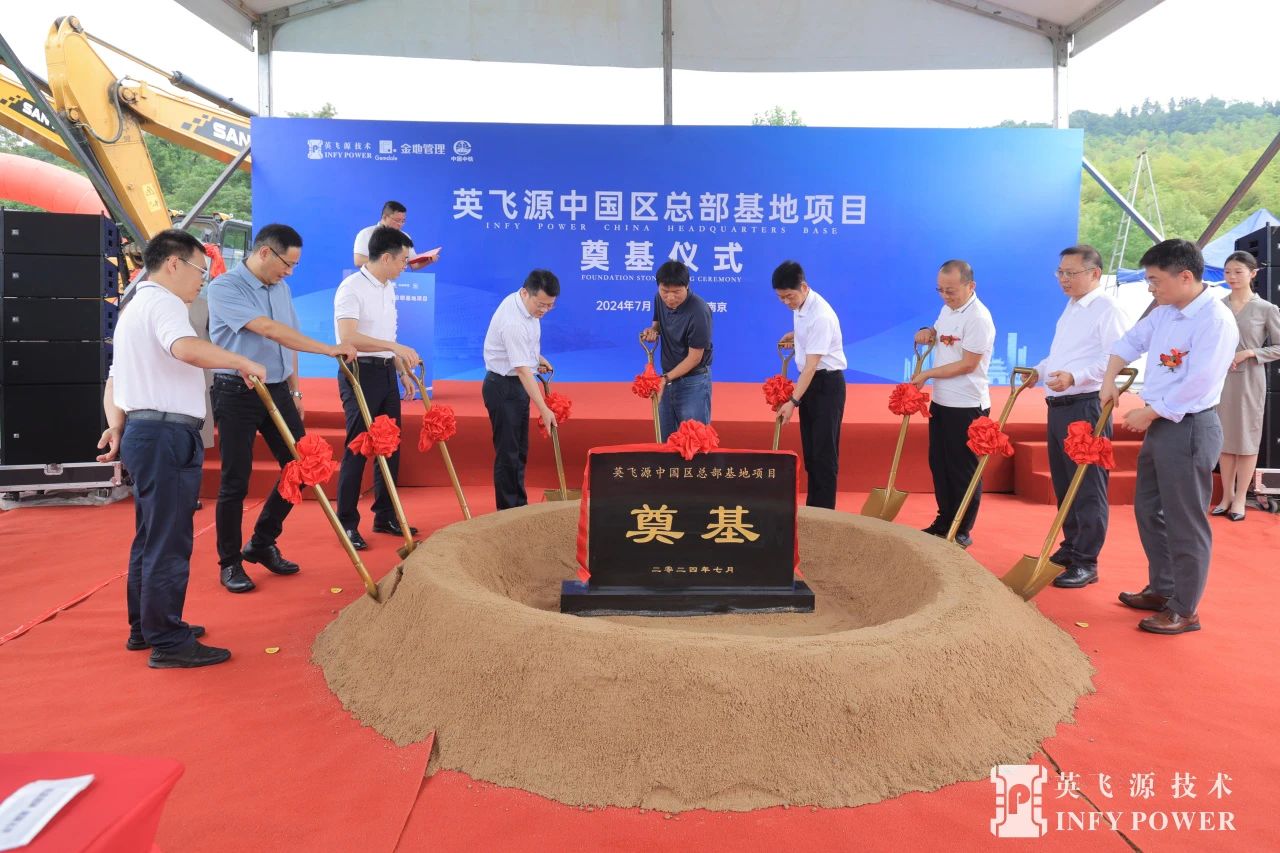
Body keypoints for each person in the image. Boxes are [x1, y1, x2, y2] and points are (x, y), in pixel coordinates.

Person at [96, 229, 265, 668]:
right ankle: (168, 640)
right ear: (174, 263)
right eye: (199, 272)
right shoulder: (165, 303)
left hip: (144, 432)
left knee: (151, 536)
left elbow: (114, 380)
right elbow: (185, 348)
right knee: (169, 540)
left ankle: (147, 626)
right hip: (166, 436)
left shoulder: (134, 306)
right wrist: (240, 360)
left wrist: (116, 425)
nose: (201, 282)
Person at [207, 224, 358, 593]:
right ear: (264, 252)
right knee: (235, 479)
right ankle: (229, 562)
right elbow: (269, 330)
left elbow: (287, 341)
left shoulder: (281, 288)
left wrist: (296, 390)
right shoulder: (225, 287)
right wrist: (328, 349)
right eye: (286, 264)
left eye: (294, 266)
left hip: (277, 389)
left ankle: (262, 541)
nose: (289, 272)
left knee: (304, 465)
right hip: (237, 391)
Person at [1103, 239, 1238, 635]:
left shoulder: (1215, 320)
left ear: (1185, 276)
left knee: (1185, 520)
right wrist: (1109, 379)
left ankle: (1185, 607)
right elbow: (1129, 342)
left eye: (1155, 280)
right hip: (1162, 424)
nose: (1151, 288)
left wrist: (1150, 412)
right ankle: (1163, 588)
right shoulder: (1165, 312)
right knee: (1149, 510)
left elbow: (1201, 382)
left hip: (1189, 426)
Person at [1029, 245, 1129, 588]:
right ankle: (1071, 545)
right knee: (1064, 481)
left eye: (1070, 273)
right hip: (1059, 404)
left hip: (1086, 405)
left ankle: (1087, 560)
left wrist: (1077, 376)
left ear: (1095, 273)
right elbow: (1061, 356)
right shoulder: (1071, 307)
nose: (1063, 279)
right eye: (1060, 272)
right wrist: (1039, 371)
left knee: (1087, 485)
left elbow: (1117, 358)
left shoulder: (1107, 308)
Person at [334, 226, 424, 549]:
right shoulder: (352, 288)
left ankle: (385, 514)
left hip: (385, 373)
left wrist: (400, 369)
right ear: (386, 258)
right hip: (359, 373)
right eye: (403, 260)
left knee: (390, 445)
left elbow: (389, 336)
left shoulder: (388, 288)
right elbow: (349, 337)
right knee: (358, 447)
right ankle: (346, 523)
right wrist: (393, 347)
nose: (405, 266)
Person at [911, 259, 996, 549]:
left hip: (968, 404)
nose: (945, 296)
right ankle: (944, 520)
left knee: (963, 470)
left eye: (951, 291)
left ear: (970, 286)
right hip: (942, 401)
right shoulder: (948, 309)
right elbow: (938, 333)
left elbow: (968, 364)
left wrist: (928, 374)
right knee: (940, 464)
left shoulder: (978, 317)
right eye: (941, 290)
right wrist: (927, 331)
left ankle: (961, 529)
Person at [771, 260, 848, 509]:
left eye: (789, 296)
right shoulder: (802, 305)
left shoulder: (821, 315)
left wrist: (793, 401)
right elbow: (809, 337)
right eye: (781, 298)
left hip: (826, 385)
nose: (786, 302)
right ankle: (815, 509)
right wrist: (797, 336)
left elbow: (811, 367)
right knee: (812, 453)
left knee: (824, 454)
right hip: (811, 384)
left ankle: (825, 514)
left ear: (803, 287)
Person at [481, 269, 559, 509]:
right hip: (504, 387)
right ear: (525, 293)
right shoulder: (513, 322)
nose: (544, 310)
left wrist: (536, 358)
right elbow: (523, 371)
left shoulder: (522, 304)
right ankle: (507, 512)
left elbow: (524, 353)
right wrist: (544, 408)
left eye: (550, 305)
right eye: (541, 305)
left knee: (519, 451)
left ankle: (519, 506)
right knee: (508, 454)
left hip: (516, 384)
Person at [1212, 250, 1280, 521]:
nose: (1232, 277)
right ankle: (1226, 495)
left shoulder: (1266, 309)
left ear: (1253, 274)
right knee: (1225, 438)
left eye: (1238, 272)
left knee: (1247, 438)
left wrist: (1251, 353)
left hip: (1250, 379)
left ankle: (1241, 497)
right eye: (1228, 272)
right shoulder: (1217, 305)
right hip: (1220, 379)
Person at [640, 260, 714, 441]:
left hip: (693, 381)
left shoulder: (699, 311)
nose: (670, 298)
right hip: (667, 378)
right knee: (666, 438)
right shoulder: (659, 298)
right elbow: (657, 324)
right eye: (665, 291)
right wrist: (652, 331)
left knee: (694, 441)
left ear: (687, 286)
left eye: (676, 292)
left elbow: (695, 358)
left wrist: (664, 379)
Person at [353, 201, 436, 270]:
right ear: (384, 217)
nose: (400, 224)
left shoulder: (405, 237)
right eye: (397, 220)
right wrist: (390, 262)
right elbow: (359, 261)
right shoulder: (366, 233)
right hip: (373, 279)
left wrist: (428, 260)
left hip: (397, 281)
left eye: (403, 221)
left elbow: (414, 265)